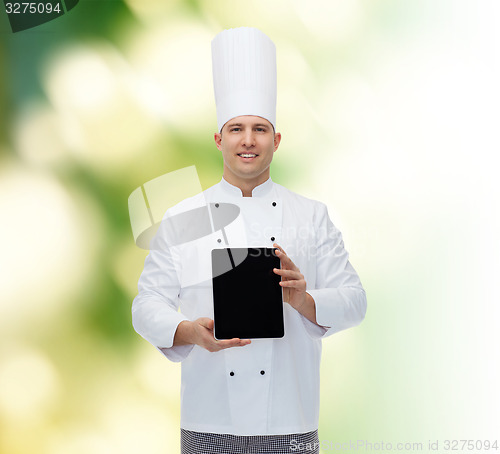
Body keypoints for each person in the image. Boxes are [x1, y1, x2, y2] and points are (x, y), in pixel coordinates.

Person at [132, 27, 367, 454]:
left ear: (276, 141)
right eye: (236, 128)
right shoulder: (183, 217)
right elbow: (146, 304)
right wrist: (187, 330)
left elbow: (356, 300)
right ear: (219, 139)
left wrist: (304, 300)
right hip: (209, 420)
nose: (248, 140)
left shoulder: (310, 215)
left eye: (259, 129)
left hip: (289, 423)